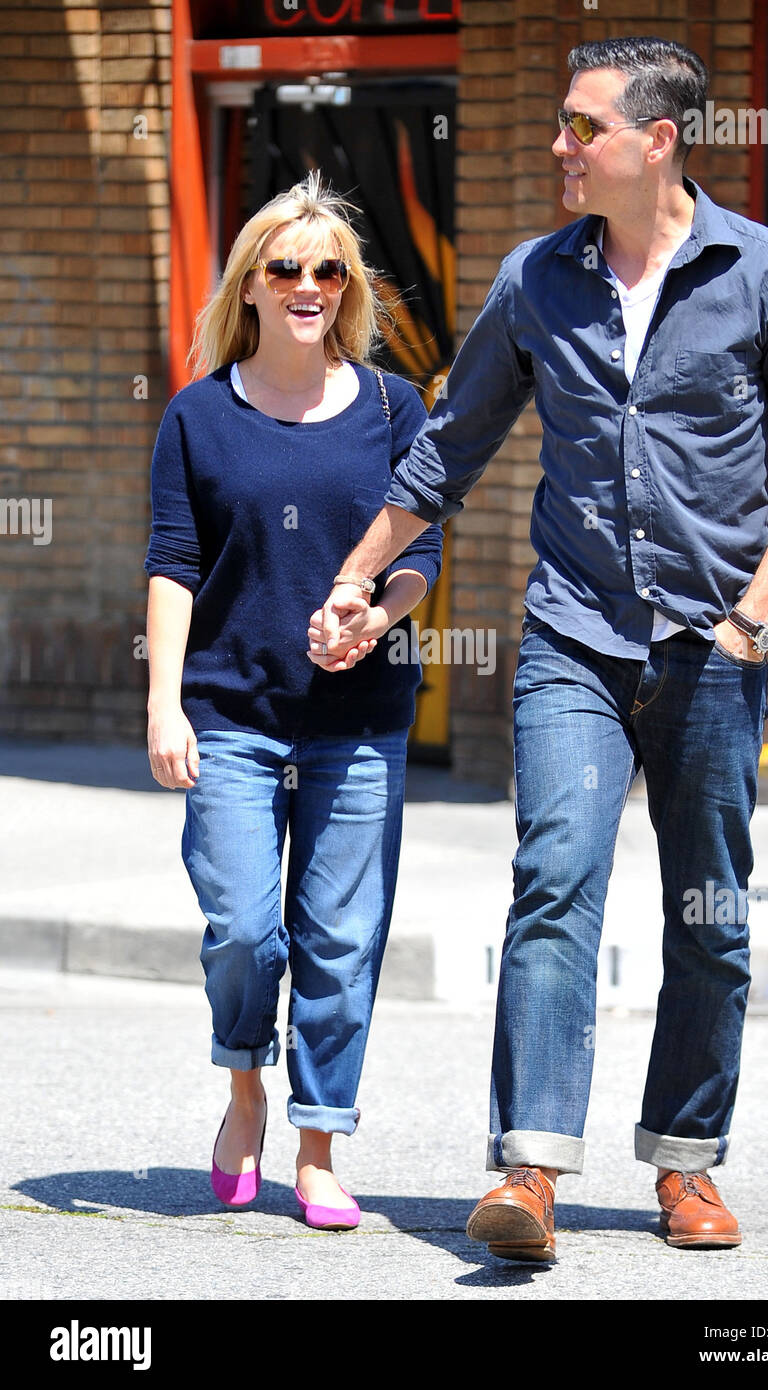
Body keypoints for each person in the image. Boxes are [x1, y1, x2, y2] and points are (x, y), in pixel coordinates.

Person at [310, 37, 768, 1261]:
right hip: (572, 633)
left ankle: (684, 1161)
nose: (559, 145)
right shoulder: (535, 279)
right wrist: (356, 580)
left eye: (581, 126)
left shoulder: (766, 275)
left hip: (710, 644)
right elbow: (446, 449)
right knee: (553, 880)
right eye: (561, 122)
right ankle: (530, 1169)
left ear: (656, 141)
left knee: (707, 912)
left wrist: (754, 615)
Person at [144, 173, 443, 1229]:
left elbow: (420, 556)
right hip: (229, 712)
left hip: (357, 723)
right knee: (241, 926)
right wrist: (163, 704)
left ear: (346, 288)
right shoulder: (198, 414)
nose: (308, 285)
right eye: (286, 268)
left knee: (342, 939)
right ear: (251, 285)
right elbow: (173, 562)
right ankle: (243, 1087)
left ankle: (318, 1147)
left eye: (329, 270)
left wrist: (379, 614)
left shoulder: (393, 408)